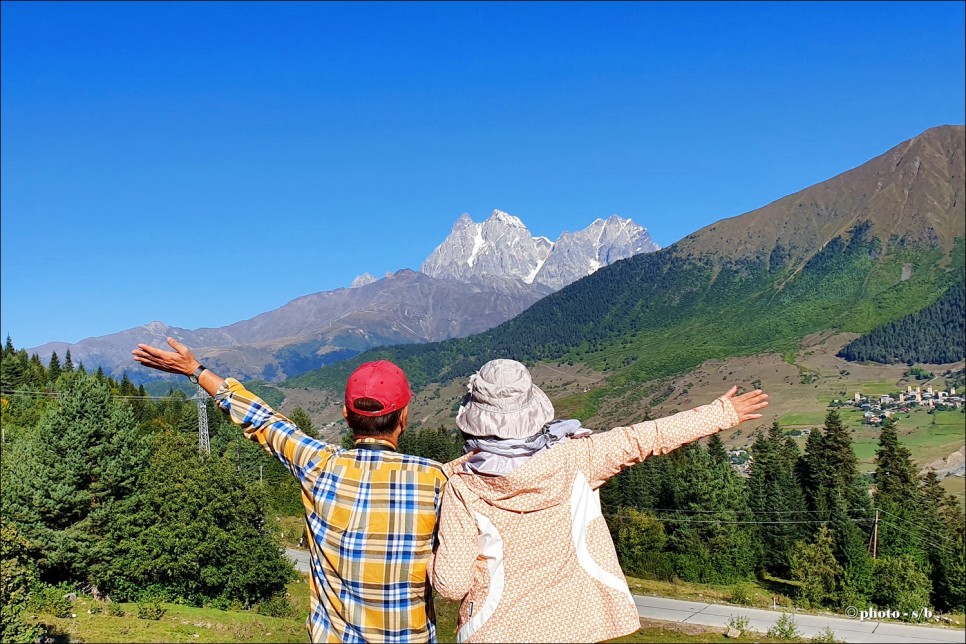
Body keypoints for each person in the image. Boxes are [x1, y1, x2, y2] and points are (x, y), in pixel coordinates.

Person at [132, 337, 452, 643]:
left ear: (345, 415)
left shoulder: (319, 465)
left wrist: (195, 370)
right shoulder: (436, 480)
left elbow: (264, 420)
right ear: (404, 416)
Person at [429, 359, 769, 643]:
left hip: (492, 633)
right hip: (572, 629)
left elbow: (451, 584)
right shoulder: (579, 457)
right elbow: (644, 437)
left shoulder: (463, 487)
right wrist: (721, 413)